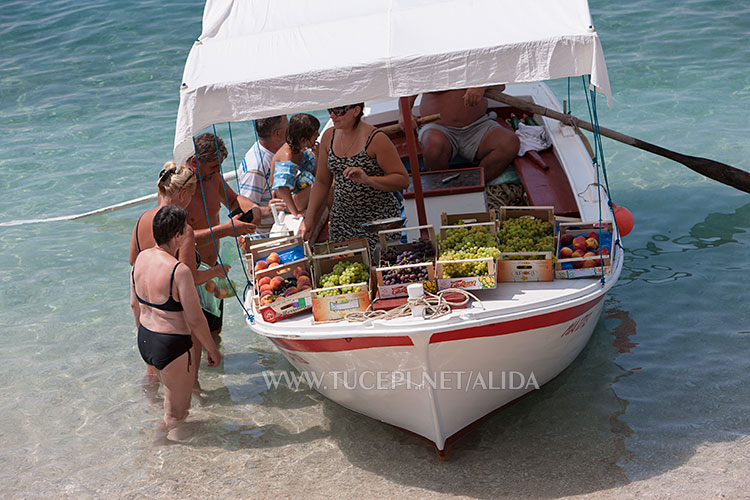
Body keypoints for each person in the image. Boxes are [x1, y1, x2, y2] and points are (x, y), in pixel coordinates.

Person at [129, 161, 228, 394]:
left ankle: (147, 418)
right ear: (183, 195)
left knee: (153, 380)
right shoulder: (183, 229)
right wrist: (215, 272)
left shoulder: (142, 219)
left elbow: (134, 262)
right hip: (176, 321)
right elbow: (188, 278)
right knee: (189, 386)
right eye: (192, 195)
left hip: (148, 320)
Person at [130, 205, 222, 435]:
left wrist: (147, 335)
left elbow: (134, 304)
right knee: (175, 415)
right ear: (177, 236)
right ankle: (159, 449)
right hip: (171, 345)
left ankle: (170, 448)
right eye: (185, 231)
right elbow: (196, 320)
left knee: (172, 405)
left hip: (145, 339)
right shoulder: (179, 271)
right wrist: (212, 350)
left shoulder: (141, 258)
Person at [186, 132, 282, 337]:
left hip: (215, 270)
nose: (217, 172)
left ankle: (215, 369)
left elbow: (233, 201)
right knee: (194, 336)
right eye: (213, 167)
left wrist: (255, 209)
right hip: (190, 274)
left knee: (215, 332)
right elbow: (177, 239)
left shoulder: (212, 178)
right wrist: (225, 230)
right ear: (195, 161)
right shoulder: (180, 188)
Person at [300, 104, 410, 252]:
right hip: (342, 223)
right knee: (346, 266)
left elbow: (402, 180)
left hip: (377, 224)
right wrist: (309, 218)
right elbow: (321, 181)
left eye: (338, 111)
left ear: (356, 111)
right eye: (330, 111)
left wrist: (368, 179)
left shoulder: (375, 139)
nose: (332, 116)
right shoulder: (328, 137)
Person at [399, 86, 520, 181]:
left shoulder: (475, 59)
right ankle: (442, 188)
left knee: (509, 143)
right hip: (439, 128)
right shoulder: (429, 63)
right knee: (432, 144)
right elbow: (406, 94)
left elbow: (500, 85)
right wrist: (404, 114)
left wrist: (481, 87)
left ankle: (474, 185)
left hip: (478, 126)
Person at [269, 113, 320, 217]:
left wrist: (317, 156)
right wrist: (296, 213)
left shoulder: (301, 150)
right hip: (287, 203)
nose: (318, 135)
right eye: (315, 133)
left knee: (324, 182)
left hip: (297, 194)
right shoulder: (287, 156)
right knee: (321, 185)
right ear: (303, 140)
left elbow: (317, 174)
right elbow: (283, 187)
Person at [238, 115, 289, 216]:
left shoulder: (278, 151)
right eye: (288, 127)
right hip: (273, 230)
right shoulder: (255, 169)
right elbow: (246, 212)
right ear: (277, 134)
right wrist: (270, 209)